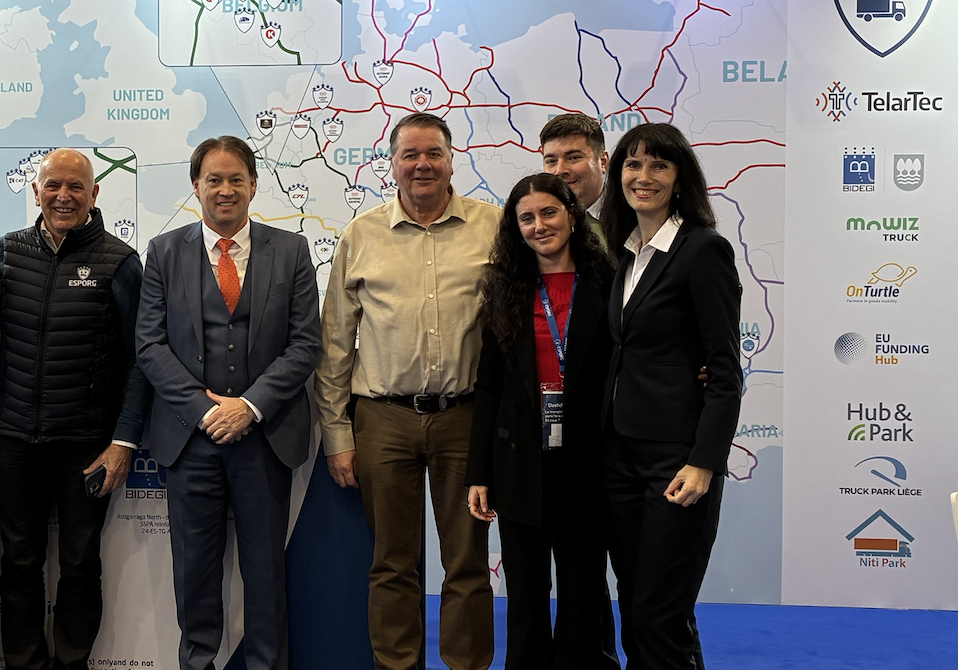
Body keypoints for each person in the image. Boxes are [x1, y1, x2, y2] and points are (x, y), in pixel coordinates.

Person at [315, 111, 500, 670]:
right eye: (410, 155)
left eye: (433, 153)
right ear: (391, 164)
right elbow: (335, 344)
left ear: (451, 161)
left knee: (467, 562)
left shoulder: (493, 227)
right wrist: (337, 435)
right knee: (392, 563)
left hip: (465, 417)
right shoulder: (361, 234)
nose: (422, 164)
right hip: (383, 418)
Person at [136, 135, 321, 670]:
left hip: (265, 437)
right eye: (213, 179)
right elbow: (149, 344)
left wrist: (250, 406)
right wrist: (204, 409)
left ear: (254, 186)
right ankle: (198, 663)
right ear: (195, 186)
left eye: (236, 179)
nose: (225, 190)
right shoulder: (164, 252)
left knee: (266, 572)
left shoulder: (290, 250)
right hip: (189, 439)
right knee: (194, 571)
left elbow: (305, 343)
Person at [0, 148, 148, 670]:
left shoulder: (120, 261)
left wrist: (122, 442)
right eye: (53, 185)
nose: (63, 196)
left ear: (94, 194)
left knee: (79, 564)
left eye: (76, 186)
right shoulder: (8, 252)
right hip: (15, 440)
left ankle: (72, 663)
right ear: (35, 191)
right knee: (18, 563)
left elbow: (140, 360)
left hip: (86, 444)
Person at [597, 123, 742, 669]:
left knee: (659, 614)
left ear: (680, 179)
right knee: (638, 607)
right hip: (620, 457)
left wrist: (704, 463)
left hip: (676, 461)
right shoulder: (625, 254)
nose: (644, 176)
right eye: (633, 164)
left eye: (659, 165)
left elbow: (724, 369)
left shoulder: (703, 250)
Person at [465, 173, 619, 670]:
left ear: (572, 215)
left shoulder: (609, 281)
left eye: (549, 212)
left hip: (587, 460)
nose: (539, 225)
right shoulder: (505, 287)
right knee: (526, 595)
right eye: (526, 218)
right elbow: (489, 385)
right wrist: (478, 472)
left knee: (583, 592)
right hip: (520, 462)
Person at [540, 113, 608, 234]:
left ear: (603, 162)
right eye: (551, 161)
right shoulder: (532, 225)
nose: (560, 170)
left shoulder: (633, 217)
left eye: (573, 158)